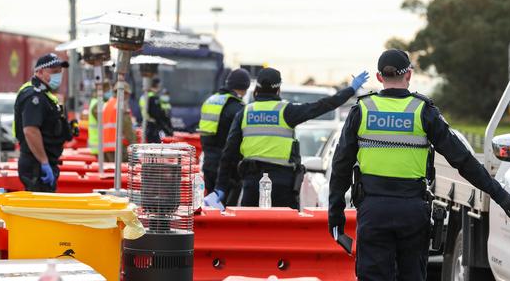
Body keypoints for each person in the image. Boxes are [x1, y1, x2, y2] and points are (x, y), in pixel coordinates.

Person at [328, 49, 510, 281]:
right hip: (412, 212)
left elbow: (341, 166)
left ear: (380, 77)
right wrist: (501, 195)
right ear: (409, 74)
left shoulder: (362, 110)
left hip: (374, 211)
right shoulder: (424, 111)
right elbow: (463, 161)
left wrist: (336, 218)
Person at [205, 67, 369, 209]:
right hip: (282, 186)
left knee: (252, 234)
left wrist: (220, 187)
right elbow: (324, 105)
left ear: (257, 89)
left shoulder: (245, 113)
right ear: (278, 89)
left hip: (252, 184)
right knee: (282, 235)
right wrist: (350, 89)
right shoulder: (286, 111)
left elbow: (228, 153)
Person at [13, 53, 74, 192]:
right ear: (39, 72)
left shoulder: (46, 95)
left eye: (60, 72)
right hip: (36, 164)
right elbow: (30, 130)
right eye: (54, 72)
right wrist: (44, 162)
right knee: (39, 209)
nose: (58, 75)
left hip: (42, 161)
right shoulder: (34, 96)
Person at [198, 68, 251, 195]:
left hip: (208, 164)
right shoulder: (238, 108)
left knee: (211, 207)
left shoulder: (210, 101)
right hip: (228, 170)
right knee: (227, 211)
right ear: (245, 86)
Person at [103, 83, 137, 163]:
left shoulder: (106, 105)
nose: (128, 97)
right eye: (127, 94)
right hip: (119, 148)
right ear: (123, 93)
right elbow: (127, 128)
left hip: (106, 148)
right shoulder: (121, 105)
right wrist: (134, 146)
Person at [140, 78, 174, 143]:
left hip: (147, 124)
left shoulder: (144, 96)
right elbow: (157, 114)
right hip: (153, 126)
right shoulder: (152, 98)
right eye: (158, 86)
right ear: (155, 86)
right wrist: (166, 128)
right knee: (156, 147)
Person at [88, 80, 111, 156]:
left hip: (100, 146)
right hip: (99, 146)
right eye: (108, 90)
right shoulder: (98, 104)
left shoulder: (97, 102)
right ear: (103, 90)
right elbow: (105, 121)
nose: (110, 92)